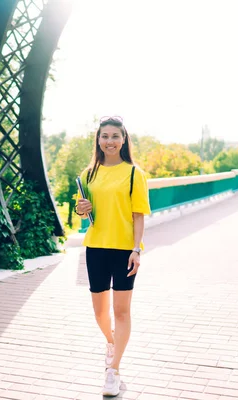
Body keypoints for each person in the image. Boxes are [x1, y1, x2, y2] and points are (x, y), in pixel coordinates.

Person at [75, 116, 151, 397]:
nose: (109, 141)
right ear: (98, 139)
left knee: (121, 311)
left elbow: (138, 215)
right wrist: (81, 209)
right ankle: (111, 341)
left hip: (124, 251)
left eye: (115, 136)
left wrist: (136, 249)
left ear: (124, 139)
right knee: (99, 312)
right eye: (104, 136)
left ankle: (114, 370)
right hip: (95, 247)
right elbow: (84, 213)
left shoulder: (134, 174)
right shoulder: (87, 175)